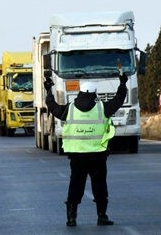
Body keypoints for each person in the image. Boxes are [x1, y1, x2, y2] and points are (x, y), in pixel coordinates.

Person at [44, 72, 128, 227]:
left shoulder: (69, 110)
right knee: (100, 186)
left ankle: (71, 218)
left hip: (77, 157)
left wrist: (48, 90)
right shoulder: (102, 108)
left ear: (80, 93)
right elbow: (118, 100)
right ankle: (102, 217)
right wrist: (122, 84)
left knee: (75, 185)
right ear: (94, 95)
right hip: (98, 156)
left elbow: (52, 106)